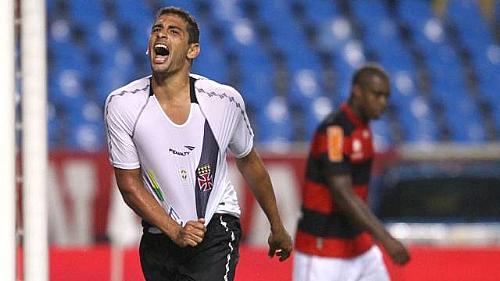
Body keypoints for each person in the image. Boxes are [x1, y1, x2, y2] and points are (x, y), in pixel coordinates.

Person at [104, 6, 292, 281]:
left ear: (193, 50)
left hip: (214, 228)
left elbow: (249, 161)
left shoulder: (224, 102)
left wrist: (277, 225)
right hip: (160, 234)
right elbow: (129, 185)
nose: (161, 35)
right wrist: (174, 230)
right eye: (157, 29)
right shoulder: (122, 104)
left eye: (173, 31)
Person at [293, 64, 410, 281]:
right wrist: (386, 239)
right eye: (376, 95)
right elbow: (342, 193)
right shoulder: (335, 131)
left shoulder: (362, 128)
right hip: (322, 249)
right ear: (357, 91)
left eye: (386, 96)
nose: (382, 103)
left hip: (358, 246)